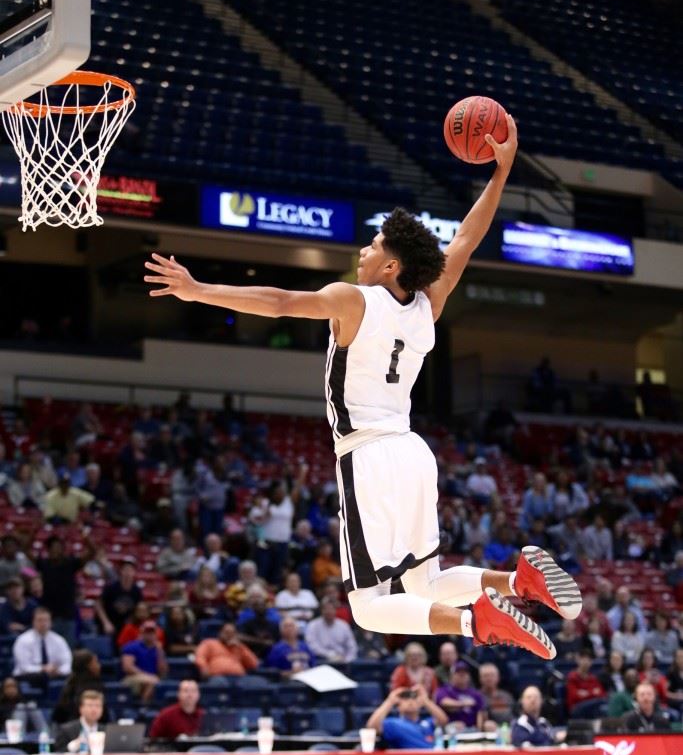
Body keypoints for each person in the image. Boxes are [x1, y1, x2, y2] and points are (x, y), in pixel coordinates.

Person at [145, 118, 580, 662]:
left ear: (392, 264)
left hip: (369, 454)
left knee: (369, 608)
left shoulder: (354, 299)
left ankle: (476, 620)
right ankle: (516, 582)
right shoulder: (429, 304)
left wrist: (197, 290)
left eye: (373, 246)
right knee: (422, 586)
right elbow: (466, 238)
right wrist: (503, 171)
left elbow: (280, 302)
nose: (363, 252)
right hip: (414, 453)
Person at [365, 685, 449, 749]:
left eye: (414, 698)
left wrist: (425, 700)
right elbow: (371, 726)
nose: (410, 701)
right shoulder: (393, 723)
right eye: (405, 699)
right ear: (398, 706)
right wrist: (390, 701)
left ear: (420, 704)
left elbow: (443, 720)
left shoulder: (428, 722)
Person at [12, 607, 72, 687]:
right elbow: (24, 667)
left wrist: (59, 671)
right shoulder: (23, 640)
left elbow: (67, 663)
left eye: (46, 620)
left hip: (54, 675)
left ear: (51, 622)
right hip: (28, 676)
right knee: (42, 677)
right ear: (33, 622)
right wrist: (43, 669)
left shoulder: (59, 640)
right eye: (40, 620)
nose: (43, 623)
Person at [52, 648, 108, 724]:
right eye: (96, 662)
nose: (99, 666)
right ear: (88, 666)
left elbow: (57, 716)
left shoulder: (69, 684)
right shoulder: (96, 686)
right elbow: (104, 717)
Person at [121, 620, 168, 702]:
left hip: (153, 678)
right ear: (141, 633)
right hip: (132, 678)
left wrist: (160, 652)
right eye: (147, 632)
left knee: (155, 682)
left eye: (152, 632)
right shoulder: (131, 646)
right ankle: (143, 706)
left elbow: (163, 672)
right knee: (152, 681)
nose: (150, 635)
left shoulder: (158, 649)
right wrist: (147, 676)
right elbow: (127, 667)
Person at [96, 559, 142, 642]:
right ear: (121, 571)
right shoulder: (111, 587)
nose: (128, 573)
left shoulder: (136, 590)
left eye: (130, 570)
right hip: (110, 623)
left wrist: (131, 621)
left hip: (125, 626)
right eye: (126, 570)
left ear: (134, 572)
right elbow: (98, 605)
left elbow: (138, 608)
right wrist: (106, 622)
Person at [195, 622, 259, 681]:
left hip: (239, 677)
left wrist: (241, 647)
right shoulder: (209, 643)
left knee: (256, 683)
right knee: (219, 682)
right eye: (226, 632)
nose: (229, 635)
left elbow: (254, 664)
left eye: (232, 633)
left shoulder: (239, 647)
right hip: (218, 676)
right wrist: (203, 667)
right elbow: (200, 656)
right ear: (220, 633)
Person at [434, 660, 487, 730]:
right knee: (457, 726)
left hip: (472, 728)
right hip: (452, 728)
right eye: (458, 672)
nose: (462, 675)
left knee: (489, 725)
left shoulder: (475, 693)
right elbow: (444, 702)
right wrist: (463, 704)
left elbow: (480, 712)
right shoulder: (445, 690)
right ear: (452, 675)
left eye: (465, 673)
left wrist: (479, 729)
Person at [304, 597, 357, 663]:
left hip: (342, 661)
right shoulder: (313, 625)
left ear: (335, 610)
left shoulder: (344, 625)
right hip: (321, 660)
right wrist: (330, 655)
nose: (329, 611)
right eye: (326, 609)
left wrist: (347, 659)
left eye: (331, 609)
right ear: (321, 610)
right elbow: (311, 645)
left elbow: (352, 647)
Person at [566, 648, 606, 713]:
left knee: (603, 705)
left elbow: (602, 694)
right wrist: (593, 692)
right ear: (578, 660)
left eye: (589, 660)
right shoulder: (572, 677)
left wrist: (586, 693)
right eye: (584, 659)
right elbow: (574, 696)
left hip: (592, 706)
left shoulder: (593, 678)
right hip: (577, 708)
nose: (586, 662)